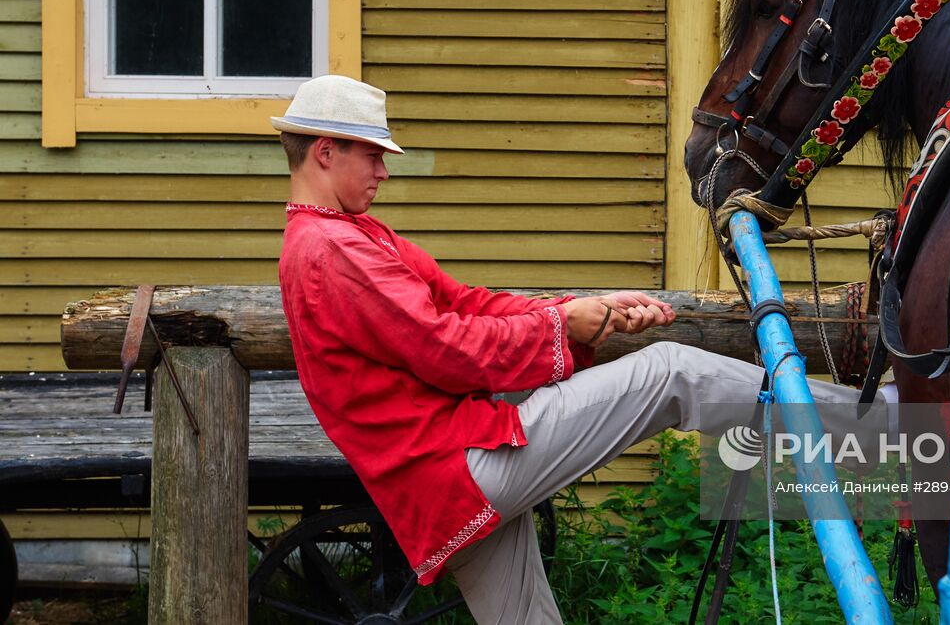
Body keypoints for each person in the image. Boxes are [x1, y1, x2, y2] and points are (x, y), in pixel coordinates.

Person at [275, 74, 890, 623]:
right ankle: (880, 423)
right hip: (457, 461)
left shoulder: (347, 237)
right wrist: (567, 324)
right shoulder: (333, 250)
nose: (384, 171)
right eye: (373, 155)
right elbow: (448, 348)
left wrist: (580, 309)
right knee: (668, 372)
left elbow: (466, 303)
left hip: (440, 476)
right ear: (326, 152)